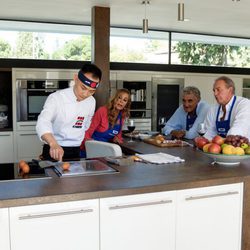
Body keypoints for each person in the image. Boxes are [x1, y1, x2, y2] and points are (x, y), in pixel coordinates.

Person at [36, 63, 102, 161]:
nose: (85, 94)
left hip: (75, 150)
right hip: (54, 149)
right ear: (75, 78)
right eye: (83, 88)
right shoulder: (56, 98)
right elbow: (43, 122)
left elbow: (86, 124)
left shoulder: (91, 101)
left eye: (91, 91)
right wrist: (53, 144)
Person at [80, 89, 131, 157]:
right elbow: (89, 130)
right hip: (91, 149)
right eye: (119, 98)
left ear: (126, 104)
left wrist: (115, 138)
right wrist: (85, 147)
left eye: (125, 100)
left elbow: (118, 135)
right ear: (114, 98)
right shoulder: (102, 111)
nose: (121, 101)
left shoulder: (122, 116)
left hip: (106, 151)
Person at [203, 76, 250, 140]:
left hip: (241, 148)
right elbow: (208, 133)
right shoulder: (213, 109)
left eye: (218, 90)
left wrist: (219, 142)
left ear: (230, 90)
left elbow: (238, 130)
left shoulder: (244, 104)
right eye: (214, 90)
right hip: (220, 147)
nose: (215, 94)